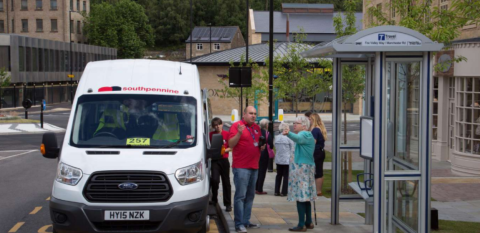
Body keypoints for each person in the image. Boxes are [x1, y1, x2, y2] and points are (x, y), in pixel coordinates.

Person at [229, 106, 265, 233]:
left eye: (255, 113)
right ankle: (238, 224)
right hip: (241, 167)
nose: (253, 116)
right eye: (250, 113)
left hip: (254, 166)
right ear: (244, 114)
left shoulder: (256, 128)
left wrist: (261, 147)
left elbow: (257, 143)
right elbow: (231, 144)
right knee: (240, 196)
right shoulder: (237, 126)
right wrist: (239, 133)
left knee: (250, 196)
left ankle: (246, 221)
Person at [283, 116, 317, 232]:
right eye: (294, 123)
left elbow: (297, 138)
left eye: (296, 123)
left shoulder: (304, 134)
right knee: (306, 197)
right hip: (304, 169)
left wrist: (288, 134)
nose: (294, 125)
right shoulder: (307, 135)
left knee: (301, 197)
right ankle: (308, 222)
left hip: (302, 170)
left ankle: (301, 224)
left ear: (304, 125)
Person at [209, 117, 233, 212]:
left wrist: (224, 150)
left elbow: (232, 147)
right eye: (215, 125)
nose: (217, 127)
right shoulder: (211, 135)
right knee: (214, 180)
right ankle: (214, 198)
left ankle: (228, 204)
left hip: (224, 160)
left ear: (222, 124)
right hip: (215, 160)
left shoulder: (227, 134)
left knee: (226, 182)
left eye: (218, 124)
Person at [274, 122, 295, 197]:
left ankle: (276, 191)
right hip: (286, 159)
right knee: (286, 176)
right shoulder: (289, 138)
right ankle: (284, 191)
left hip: (278, 159)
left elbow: (275, 147)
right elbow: (292, 148)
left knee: (278, 175)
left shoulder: (277, 137)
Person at [309, 113, 328, 196]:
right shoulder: (320, 128)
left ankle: (317, 191)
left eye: (310, 119)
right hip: (320, 152)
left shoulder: (315, 130)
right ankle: (318, 191)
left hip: (316, 152)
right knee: (319, 171)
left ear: (313, 120)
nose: (308, 121)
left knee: (317, 172)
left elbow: (313, 142)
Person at [256, 119, 274, 195]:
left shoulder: (257, 132)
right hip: (264, 154)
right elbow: (271, 144)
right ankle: (259, 189)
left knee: (256, 171)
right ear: (266, 125)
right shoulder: (267, 133)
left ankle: (255, 187)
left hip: (256, 154)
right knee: (262, 172)